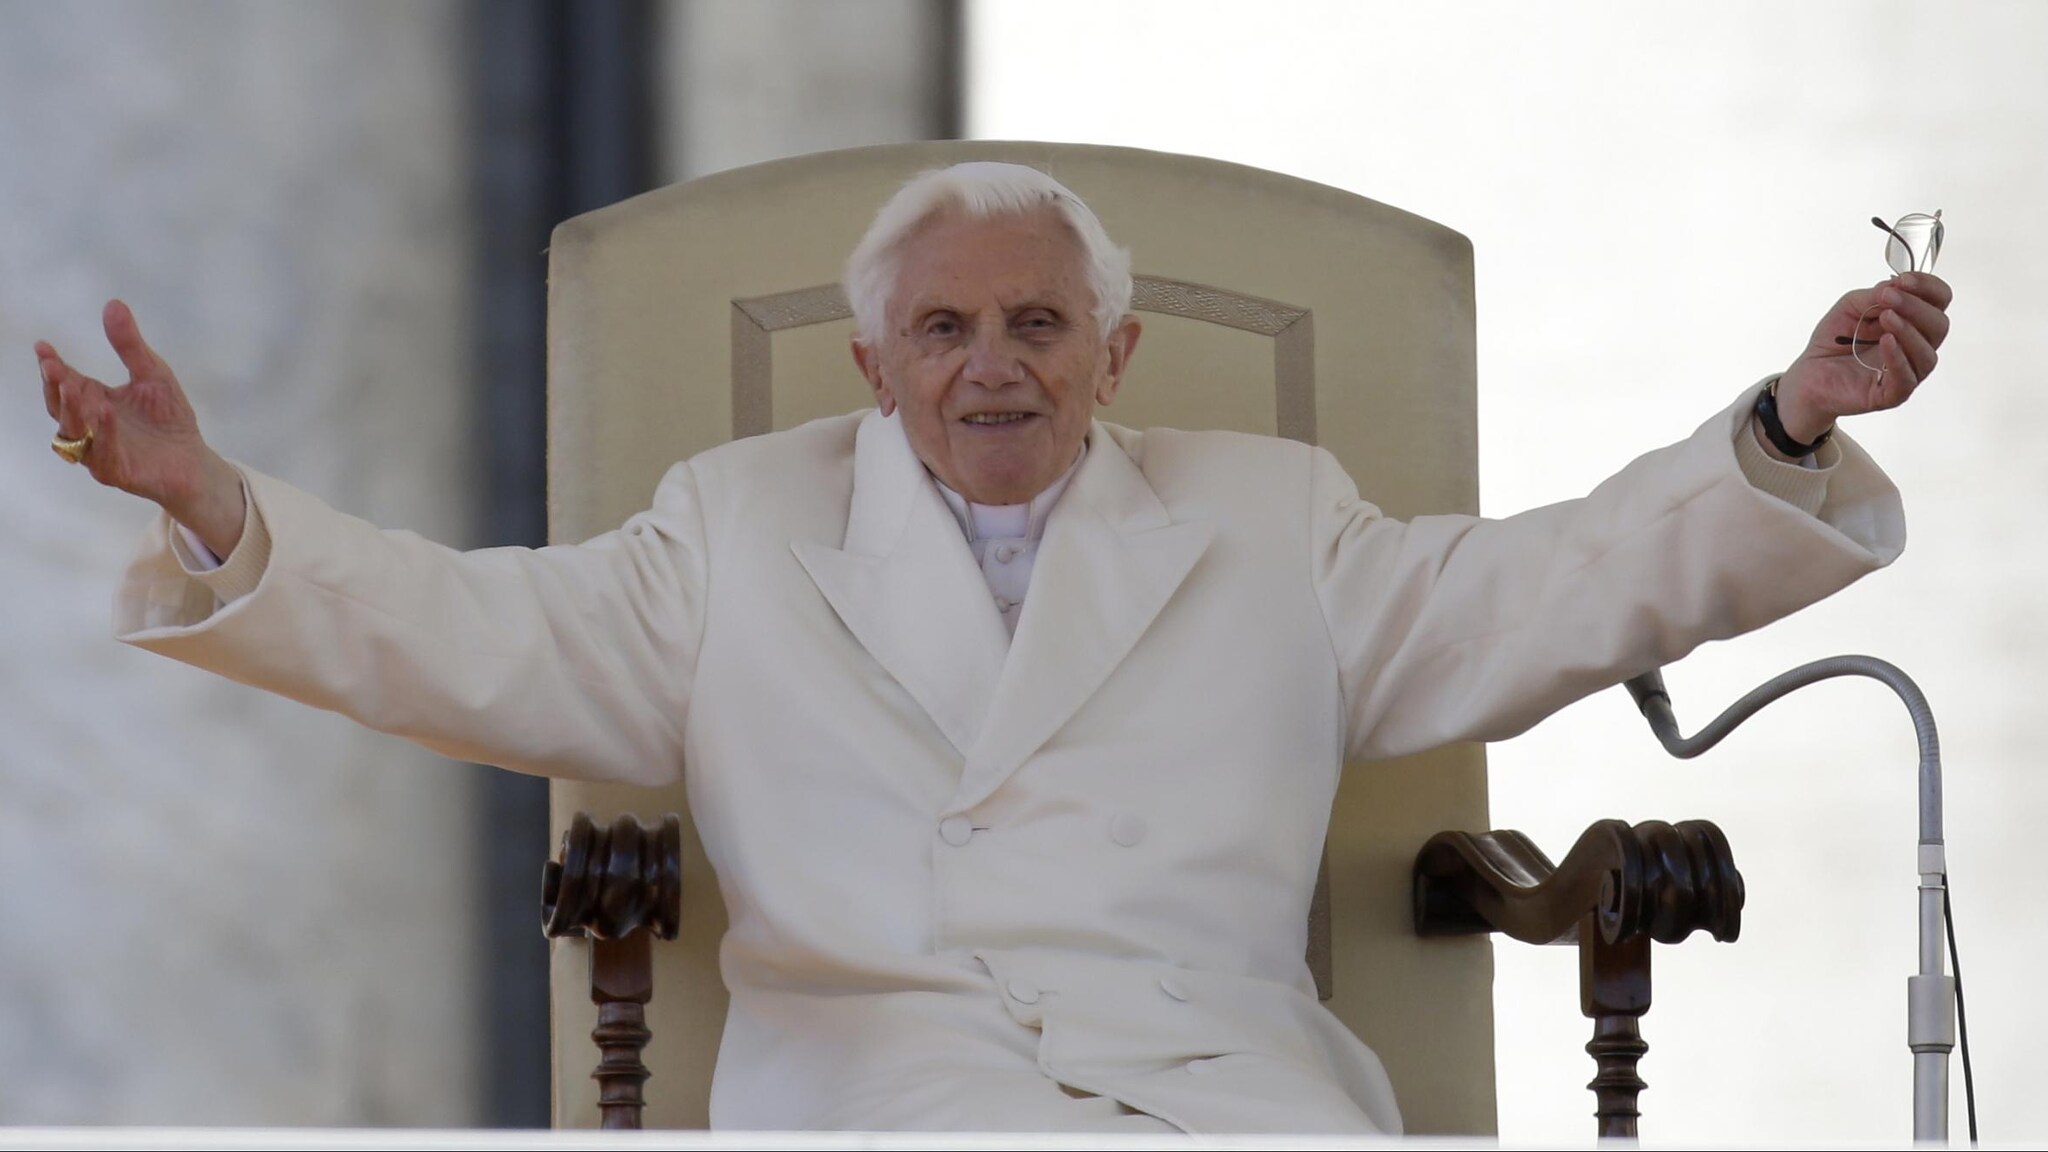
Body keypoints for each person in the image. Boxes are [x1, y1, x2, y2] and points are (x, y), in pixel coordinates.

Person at [35, 162, 1950, 1134]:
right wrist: (216, 503)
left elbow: (1546, 586)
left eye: (1040, 323)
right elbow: (465, 631)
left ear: (1116, 357)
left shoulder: (1275, 517)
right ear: (870, 366)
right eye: (943, 330)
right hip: (890, 1090)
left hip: (1224, 1090)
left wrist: (1782, 425)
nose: (993, 365)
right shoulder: (731, 524)